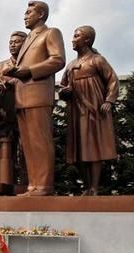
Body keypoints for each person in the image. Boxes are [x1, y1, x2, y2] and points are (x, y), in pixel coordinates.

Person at [4, 1, 65, 196]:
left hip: (38, 95)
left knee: (40, 141)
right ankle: (34, 185)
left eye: (29, 12)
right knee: (28, 144)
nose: (25, 16)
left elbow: (58, 60)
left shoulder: (50, 33)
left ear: (41, 15)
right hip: (23, 97)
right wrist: (13, 77)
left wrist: (29, 71)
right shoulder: (28, 39)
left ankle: (45, 185)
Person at [58, 26, 119, 196]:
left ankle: (94, 187)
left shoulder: (97, 60)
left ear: (87, 40)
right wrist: (64, 92)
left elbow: (113, 81)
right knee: (77, 149)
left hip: (94, 109)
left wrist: (109, 100)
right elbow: (62, 86)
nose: (73, 39)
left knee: (93, 147)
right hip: (76, 112)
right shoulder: (71, 66)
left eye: (77, 36)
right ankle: (86, 185)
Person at [0, 31, 28, 190]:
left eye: (17, 42)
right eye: (11, 42)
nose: (12, 45)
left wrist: (13, 83)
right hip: (5, 115)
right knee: (5, 151)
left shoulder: (30, 66)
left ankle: (27, 184)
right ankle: (6, 184)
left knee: (26, 152)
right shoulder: (0, 67)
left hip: (25, 113)